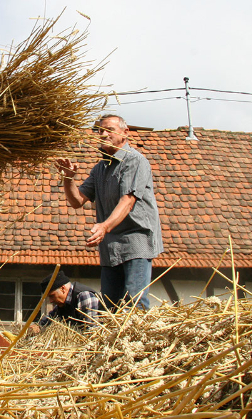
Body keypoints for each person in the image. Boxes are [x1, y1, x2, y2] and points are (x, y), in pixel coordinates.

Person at [55, 114, 163, 310]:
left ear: (125, 133)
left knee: (134, 303)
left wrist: (104, 226)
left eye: (109, 130)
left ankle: (135, 341)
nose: (103, 134)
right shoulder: (100, 169)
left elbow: (128, 200)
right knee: (110, 308)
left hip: (136, 241)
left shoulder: (135, 161)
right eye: (99, 131)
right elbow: (77, 201)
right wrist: (68, 179)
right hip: (110, 247)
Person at [29, 270, 102, 333]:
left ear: (63, 289)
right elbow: (49, 319)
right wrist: (37, 327)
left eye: (52, 295)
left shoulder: (84, 296)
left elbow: (91, 331)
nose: (51, 301)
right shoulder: (63, 303)